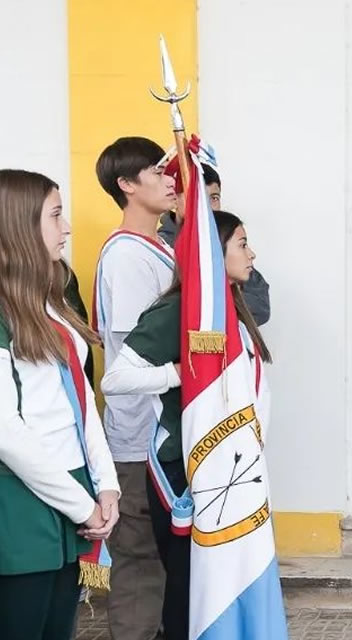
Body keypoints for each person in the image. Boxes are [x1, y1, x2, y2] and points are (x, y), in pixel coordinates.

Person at [102, 210, 272, 640]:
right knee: (188, 594)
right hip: (185, 475)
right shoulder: (178, 309)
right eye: (241, 244)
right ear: (214, 252)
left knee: (222, 590)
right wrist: (179, 373)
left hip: (230, 472)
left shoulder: (228, 305)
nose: (251, 254)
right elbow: (116, 378)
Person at [0, 169, 120, 640]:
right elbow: (7, 433)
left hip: (71, 496)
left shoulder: (50, 304)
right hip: (21, 507)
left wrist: (105, 485)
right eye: (55, 215)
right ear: (19, 225)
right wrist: (83, 506)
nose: (67, 227)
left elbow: (83, 403)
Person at [93, 136, 177, 640]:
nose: (169, 179)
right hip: (138, 438)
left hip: (163, 433)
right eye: (156, 171)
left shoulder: (160, 245)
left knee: (163, 561)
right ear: (126, 185)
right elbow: (131, 360)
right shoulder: (127, 256)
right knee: (141, 561)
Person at [161, 162, 272, 326]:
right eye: (197, 197)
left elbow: (260, 305)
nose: (207, 207)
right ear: (175, 199)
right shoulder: (163, 246)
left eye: (214, 198)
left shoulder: (223, 240)